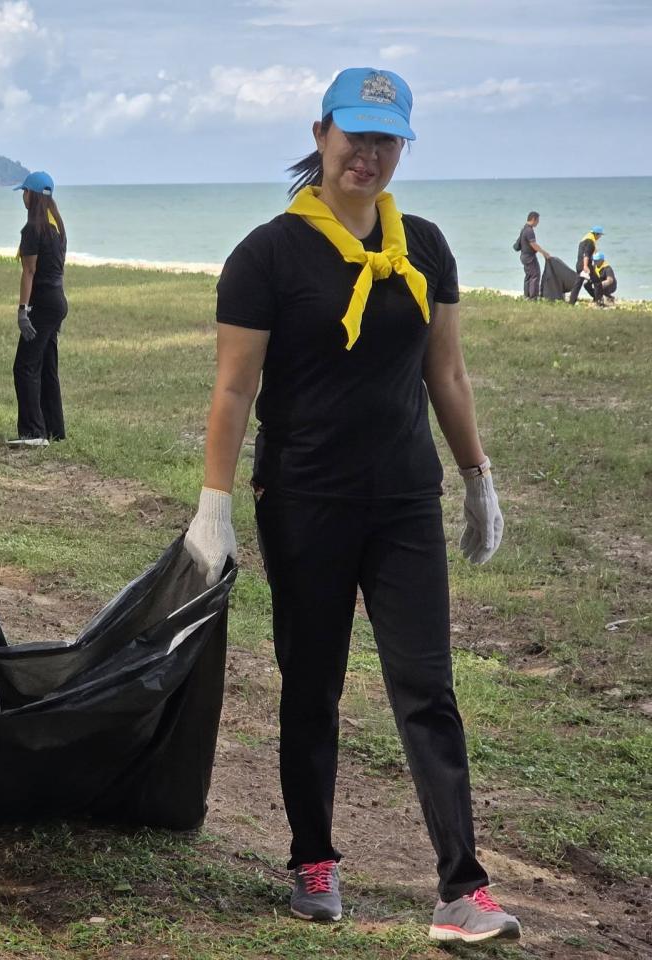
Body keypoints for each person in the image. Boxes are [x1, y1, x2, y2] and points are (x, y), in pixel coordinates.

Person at [184, 68, 521, 945]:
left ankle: (461, 887)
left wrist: (477, 476)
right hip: (304, 501)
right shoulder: (268, 255)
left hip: (406, 500)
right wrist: (212, 504)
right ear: (321, 134)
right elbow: (233, 390)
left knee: (426, 686)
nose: (367, 155)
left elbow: (443, 371)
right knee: (314, 684)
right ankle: (313, 859)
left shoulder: (428, 247)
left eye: (386, 139)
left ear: (402, 145)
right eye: (354, 135)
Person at [9, 170, 67, 447]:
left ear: (31, 195)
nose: (23, 196)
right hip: (57, 301)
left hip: (42, 305)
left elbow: (29, 271)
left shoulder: (33, 229)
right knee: (47, 366)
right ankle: (54, 429)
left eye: (24, 192)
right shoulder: (57, 228)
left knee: (25, 367)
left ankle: (33, 432)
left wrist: (23, 311)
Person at [515, 211, 549, 299]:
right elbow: (533, 244)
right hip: (529, 257)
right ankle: (533, 297)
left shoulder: (524, 229)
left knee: (529, 275)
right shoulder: (529, 231)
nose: (538, 223)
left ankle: (527, 295)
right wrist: (544, 253)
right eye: (538, 220)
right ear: (533, 219)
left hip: (524, 256)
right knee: (535, 275)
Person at [567, 225, 603, 304]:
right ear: (596, 234)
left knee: (578, 284)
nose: (600, 237)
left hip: (579, 264)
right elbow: (586, 254)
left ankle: (571, 302)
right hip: (585, 266)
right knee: (597, 282)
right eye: (600, 235)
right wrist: (586, 266)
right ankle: (598, 302)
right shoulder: (590, 241)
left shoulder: (584, 239)